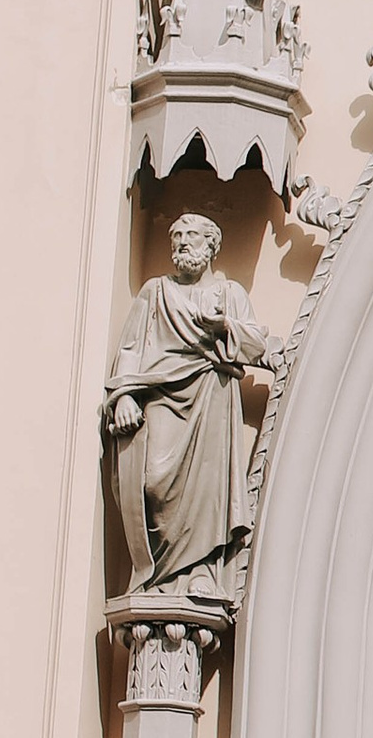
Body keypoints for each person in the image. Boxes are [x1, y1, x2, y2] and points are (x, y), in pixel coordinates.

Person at [103, 212, 276, 597]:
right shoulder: (155, 293)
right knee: (152, 481)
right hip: (160, 397)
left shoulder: (230, 295)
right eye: (177, 235)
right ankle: (158, 574)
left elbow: (257, 345)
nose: (182, 242)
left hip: (211, 398)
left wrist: (225, 328)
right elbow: (131, 349)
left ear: (210, 245)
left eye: (191, 236)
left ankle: (201, 573)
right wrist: (126, 396)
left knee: (208, 492)